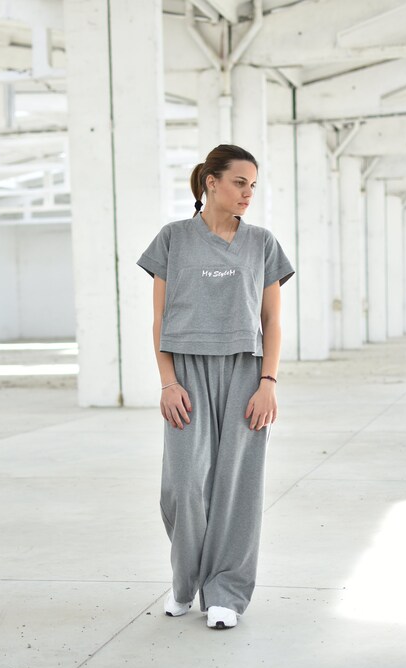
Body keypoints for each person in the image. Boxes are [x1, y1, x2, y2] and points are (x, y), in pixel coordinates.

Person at [136, 143, 295, 630]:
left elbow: (272, 321)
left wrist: (268, 382)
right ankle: (186, 579)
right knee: (183, 485)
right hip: (186, 372)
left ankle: (226, 590)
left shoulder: (262, 243)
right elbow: (159, 317)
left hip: (246, 372)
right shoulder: (173, 238)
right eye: (239, 183)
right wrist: (167, 382)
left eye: (253, 185)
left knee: (237, 486)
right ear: (211, 182)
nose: (248, 193)